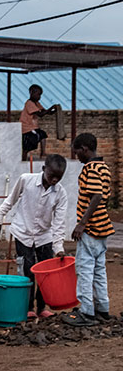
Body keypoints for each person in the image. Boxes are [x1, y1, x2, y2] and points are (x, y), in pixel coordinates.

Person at [0, 154, 68, 319]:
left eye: (58, 178)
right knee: (27, 270)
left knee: (45, 273)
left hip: (44, 236)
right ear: (43, 169)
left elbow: (59, 223)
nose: (54, 180)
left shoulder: (61, 194)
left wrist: (59, 248)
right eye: (51, 176)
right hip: (23, 232)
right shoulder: (26, 180)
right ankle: (28, 307)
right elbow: (10, 200)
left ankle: (42, 307)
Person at [62, 134, 115, 327]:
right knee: (99, 270)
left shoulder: (90, 169)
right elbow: (103, 196)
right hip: (102, 228)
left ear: (84, 149)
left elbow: (97, 196)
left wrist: (82, 223)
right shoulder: (104, 167)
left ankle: (86, 313)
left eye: (76, 151)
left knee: (84, 270)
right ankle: (102, 309)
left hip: (91, 228)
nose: (75, 155)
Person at [21, 84, 59, 160]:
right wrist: (51, 107)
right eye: (38, 94)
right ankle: (23, 158)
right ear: (31, 93)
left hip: (33, 128)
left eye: (40, 95)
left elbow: (44, 111)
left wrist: (54, 111)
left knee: (43, 135)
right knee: (29, 143)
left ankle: (43, 153)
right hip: (26, 128)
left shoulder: (36, 103)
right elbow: (40, 114)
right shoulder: (29, 103)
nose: (39, 97)